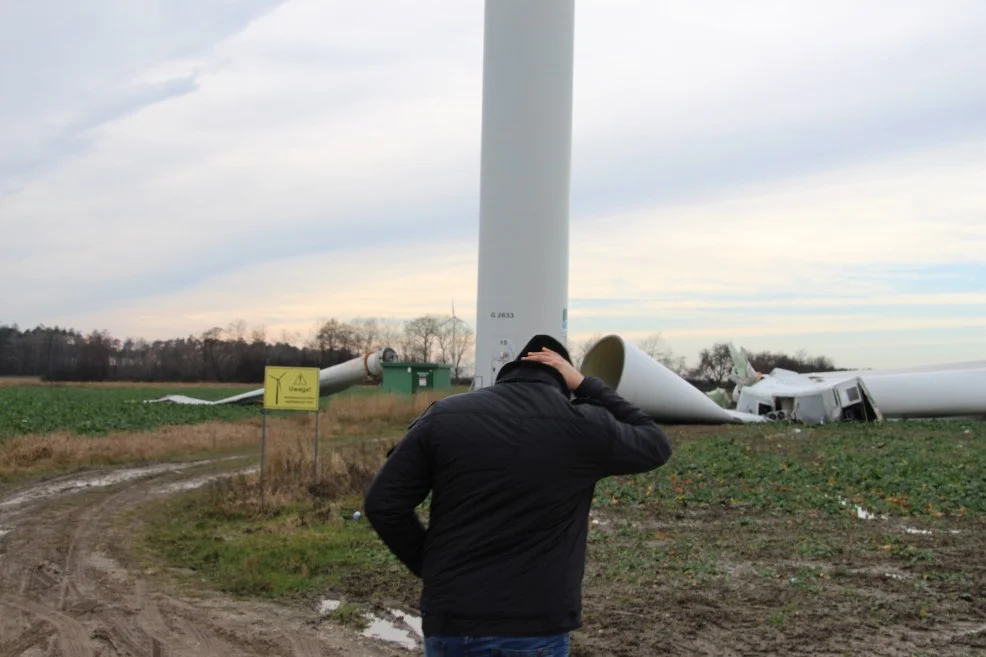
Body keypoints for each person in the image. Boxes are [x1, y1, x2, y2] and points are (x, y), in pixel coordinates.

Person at [363, 334, 672, 656]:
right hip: (534, 626)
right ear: (563, 378)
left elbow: (383, 503)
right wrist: (586, 384)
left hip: (452, 618)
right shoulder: (584, 426)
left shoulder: (444, 416)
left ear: (509, 372)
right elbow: (655, 443)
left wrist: (429, 566)